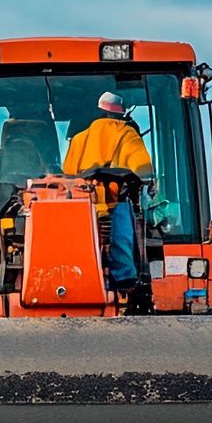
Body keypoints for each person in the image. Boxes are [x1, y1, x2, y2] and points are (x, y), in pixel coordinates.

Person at [63, 91, 154, 300]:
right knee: (122, 234)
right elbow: (144, 171)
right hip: (115, 205)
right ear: (121, 114)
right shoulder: (126, 134)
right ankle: (124, 281)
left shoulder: (79, 139)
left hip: (82, 208)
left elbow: (68, 173)